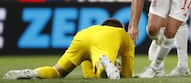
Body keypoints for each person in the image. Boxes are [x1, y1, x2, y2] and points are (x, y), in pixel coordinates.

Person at [3, 18, 134, 80]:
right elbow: (128, 75)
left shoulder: (93, 30)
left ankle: (34, 73)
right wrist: (119, 69)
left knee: (57, 71)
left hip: (81, 36)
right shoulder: (123, 35)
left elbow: (88, 76)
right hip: (104, 42)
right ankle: (105, 65)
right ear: (121, 28)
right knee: (101, 65)